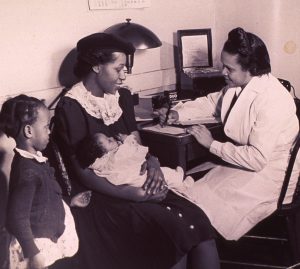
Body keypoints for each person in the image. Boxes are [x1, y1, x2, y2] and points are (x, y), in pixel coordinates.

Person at [49, 32, 219, 269]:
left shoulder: (123, 97)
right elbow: (83, 173)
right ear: (97, 67)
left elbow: (136, 145)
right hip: (103, 194)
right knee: (171, 228)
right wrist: (132, 195)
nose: (123, 76)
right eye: (118, 69)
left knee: (197, 219)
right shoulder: (71, 107)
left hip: (136, 179)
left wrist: (153, 164)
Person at [156, 27, 300, 240]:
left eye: (229, 68)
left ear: (251, 68)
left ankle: (198, 243)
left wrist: (212, 144)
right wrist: (178, 113)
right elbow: (212, 102)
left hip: (269, 176)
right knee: (192, 197)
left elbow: (258, 159)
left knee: (199, 208)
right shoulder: (240, 85)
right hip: (245, 165)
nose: (223, 72)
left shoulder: (272, 99)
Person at [0, 95, 78, 269]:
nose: (49, 131)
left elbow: (44, 197)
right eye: (45, 127)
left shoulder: (36, 162)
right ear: (29, 131)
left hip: (49, 240)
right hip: (37, 248)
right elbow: (16, 217)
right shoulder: (27, 171)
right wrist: (32, 253)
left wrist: (69, 203)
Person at [70, 132, 194, 207]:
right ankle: (182, 185)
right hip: (140, 178)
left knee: (163, 178)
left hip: (132, 183)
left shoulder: (100, 165)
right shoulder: (118, 153)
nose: (112, 138)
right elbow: (135, 149)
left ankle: (178, 184)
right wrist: (127, 139)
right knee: (167, 174)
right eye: (109, 140)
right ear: (103, 154)